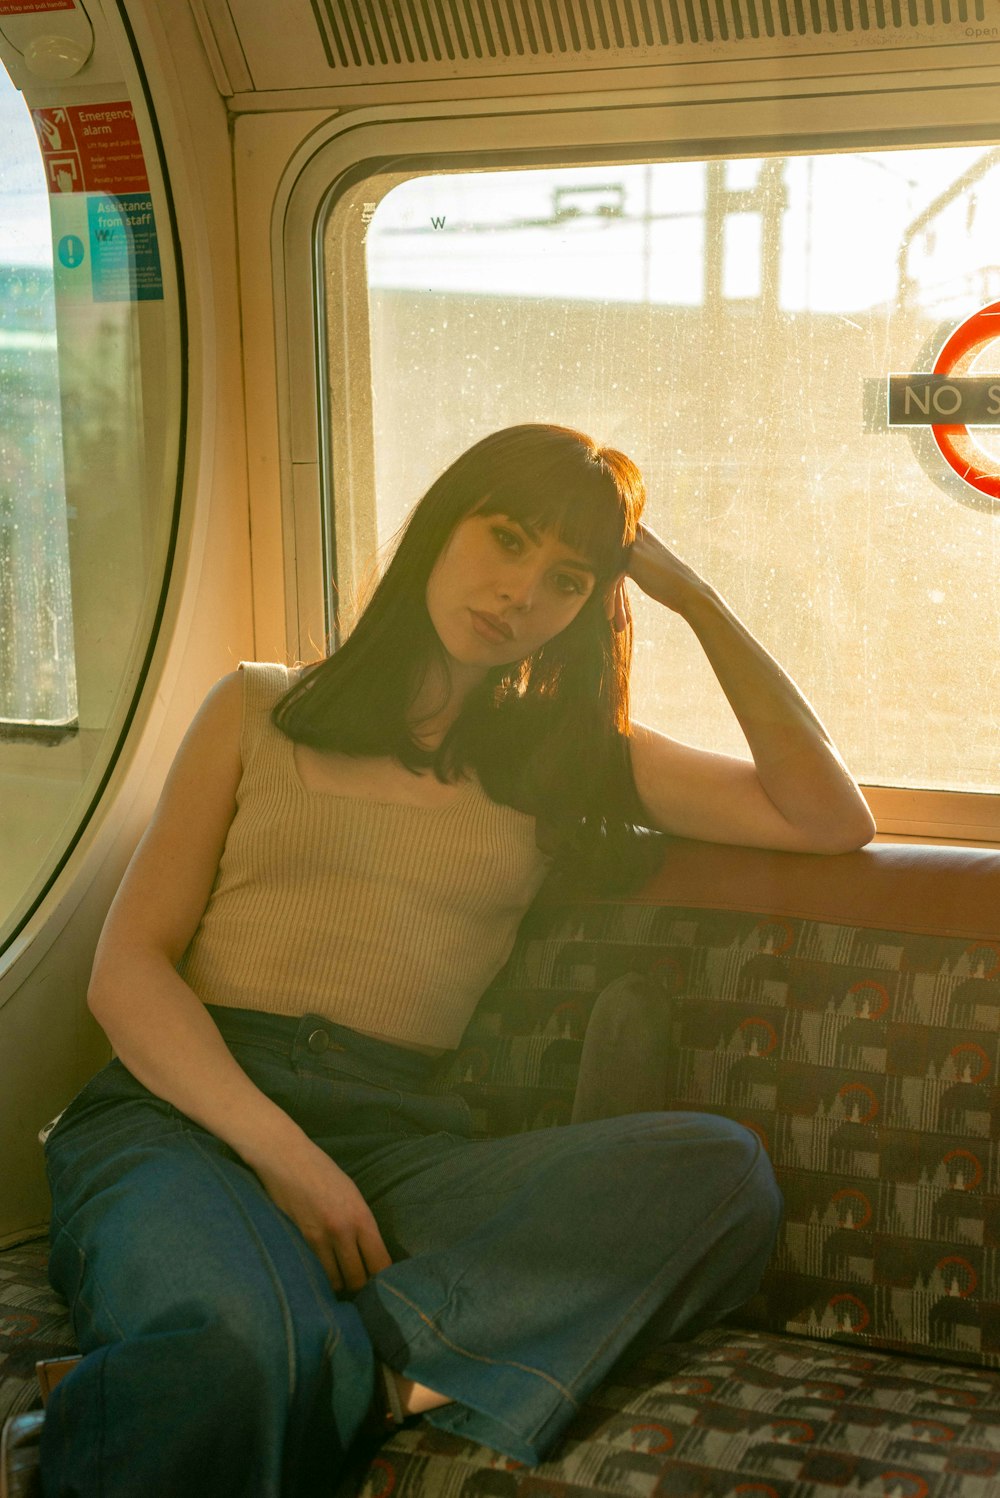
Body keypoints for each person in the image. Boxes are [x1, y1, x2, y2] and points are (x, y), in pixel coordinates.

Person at [37, 424, 875, 1497]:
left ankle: (330, 1374)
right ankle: (267, 1358)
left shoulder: (567, 762)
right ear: (444, 524)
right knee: (235, 1328)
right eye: (507, 539)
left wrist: (693, 600)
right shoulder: (256, 705)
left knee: (719, 1174)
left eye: (565, 578)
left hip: (395, 1139)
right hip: (187, 1112)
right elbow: (128, 972)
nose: (519, 592)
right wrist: (288, 1155)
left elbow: (826, 819)